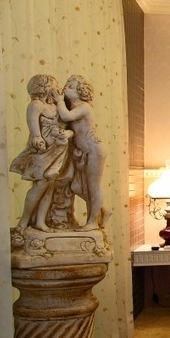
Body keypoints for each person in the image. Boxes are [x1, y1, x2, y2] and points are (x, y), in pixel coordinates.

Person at [10, 75, 73, 230]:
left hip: (58, 151)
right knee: (39, 184)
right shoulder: (36, 105)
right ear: (44, 88)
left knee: (49, 186)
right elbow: (32, 123)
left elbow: (69, 127)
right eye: (54, 85)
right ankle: (24, 221)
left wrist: (67, 134)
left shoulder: (58, 106)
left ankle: (40, 221)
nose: (58, 88)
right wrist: (37, 136)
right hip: (42, 151)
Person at [56, 75, 109, 230]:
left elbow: (66, 116)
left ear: (81, 92)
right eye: (66, 85)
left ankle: (92, 221)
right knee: (76, 187)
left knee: (93, 186)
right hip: (83, 152)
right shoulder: (73, 107)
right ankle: (104, 209)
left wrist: (59, 101)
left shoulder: (84, 107)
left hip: (94, 150)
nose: (66, 88)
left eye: (71, 87)